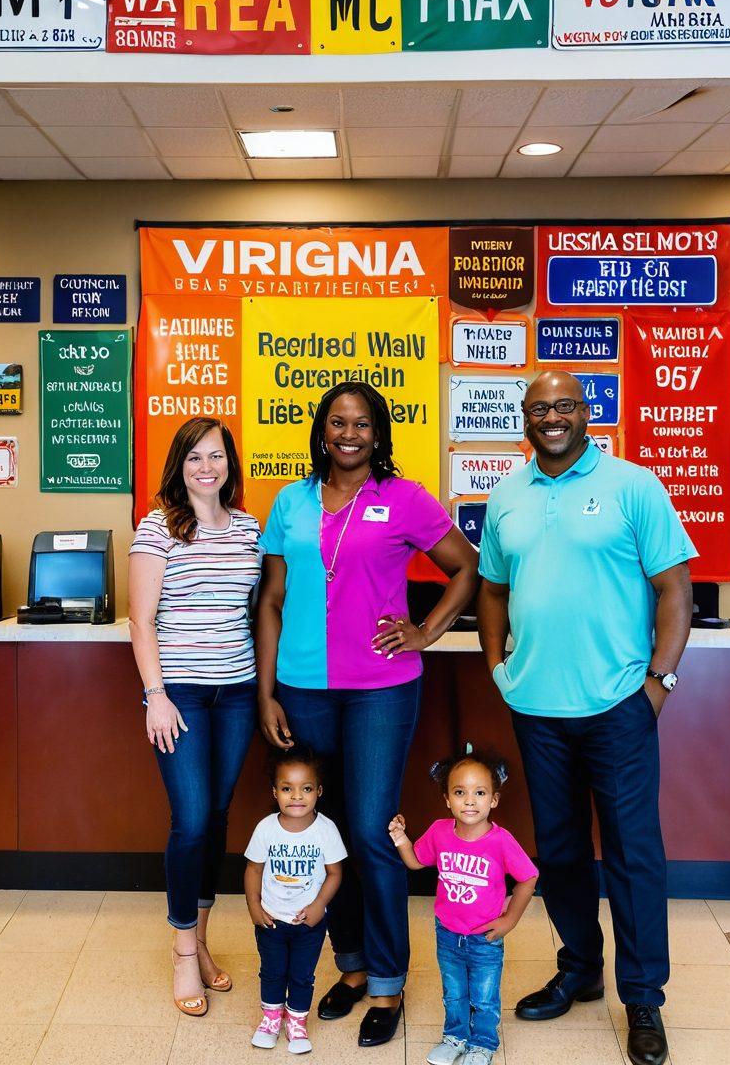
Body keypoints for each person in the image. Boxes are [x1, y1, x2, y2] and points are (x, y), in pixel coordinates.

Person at [477, 371, 695, 1065]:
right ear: (525, 418)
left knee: (633, 857)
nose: (552, 418)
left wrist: (658, 683)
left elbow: (675, 591)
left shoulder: (635, 486)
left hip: (618, 709)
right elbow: (491, 589)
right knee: (563, 852)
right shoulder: (507, 496)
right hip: (537, 711)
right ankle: (579, 971)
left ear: (586, 411)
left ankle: (643, 999)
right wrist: (496, 668)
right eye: (539, 408)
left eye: (565, 405)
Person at [256, 380, 480, 1047]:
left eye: (361, 424)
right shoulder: (290, 502)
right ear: (321, 432)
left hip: (381, 686)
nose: (348, 434)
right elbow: (271, 598)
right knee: (324, 831)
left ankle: (387, 981)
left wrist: (425, 630)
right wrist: (267, 691)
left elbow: (466, 568)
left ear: (378, 435)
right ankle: (349, 968)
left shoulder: (403, 498)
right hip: (301, 685)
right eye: (337, 423)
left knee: (374, 830)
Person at [128, 416, 262, 1016]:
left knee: (216, 814)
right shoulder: (157, 529)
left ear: (229, 463)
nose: (206, 468)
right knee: (189, 819)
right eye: (194, 459)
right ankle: (184, 952)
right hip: (179, 694)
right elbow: (141, 620)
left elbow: (258, 612)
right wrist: (154, 694)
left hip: (235, 692)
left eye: (216, 456)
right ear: (178, 468)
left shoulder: (249, 529)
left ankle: (202, 941)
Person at [389, 746, 538, 1065]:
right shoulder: (440, 832)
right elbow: (416, 863)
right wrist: (401, 838)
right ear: (447, 798)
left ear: (494, 799)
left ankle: (483, 1044)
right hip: (447, 933)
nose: (470, 800)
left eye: (480, 792)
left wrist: (510, 920)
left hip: (485, 939)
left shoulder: (501, 841)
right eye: (460, 792)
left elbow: (529, 877)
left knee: (484, 998)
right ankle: (455, 1037)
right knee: (454, 993)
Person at [245, 744, 347, 1054]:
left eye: (305, 789)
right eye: (287, 788)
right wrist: (253, 905)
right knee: (273, 971)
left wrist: (319, 906)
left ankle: (297, 1022)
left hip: (309, 923)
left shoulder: (326, 830)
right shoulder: (266, 829)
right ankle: (271, 1018)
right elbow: (253, 869)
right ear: (275, 792)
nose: (297, 796)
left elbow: (335, 874)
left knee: (302, 975)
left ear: (318, 791)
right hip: (272, 919)